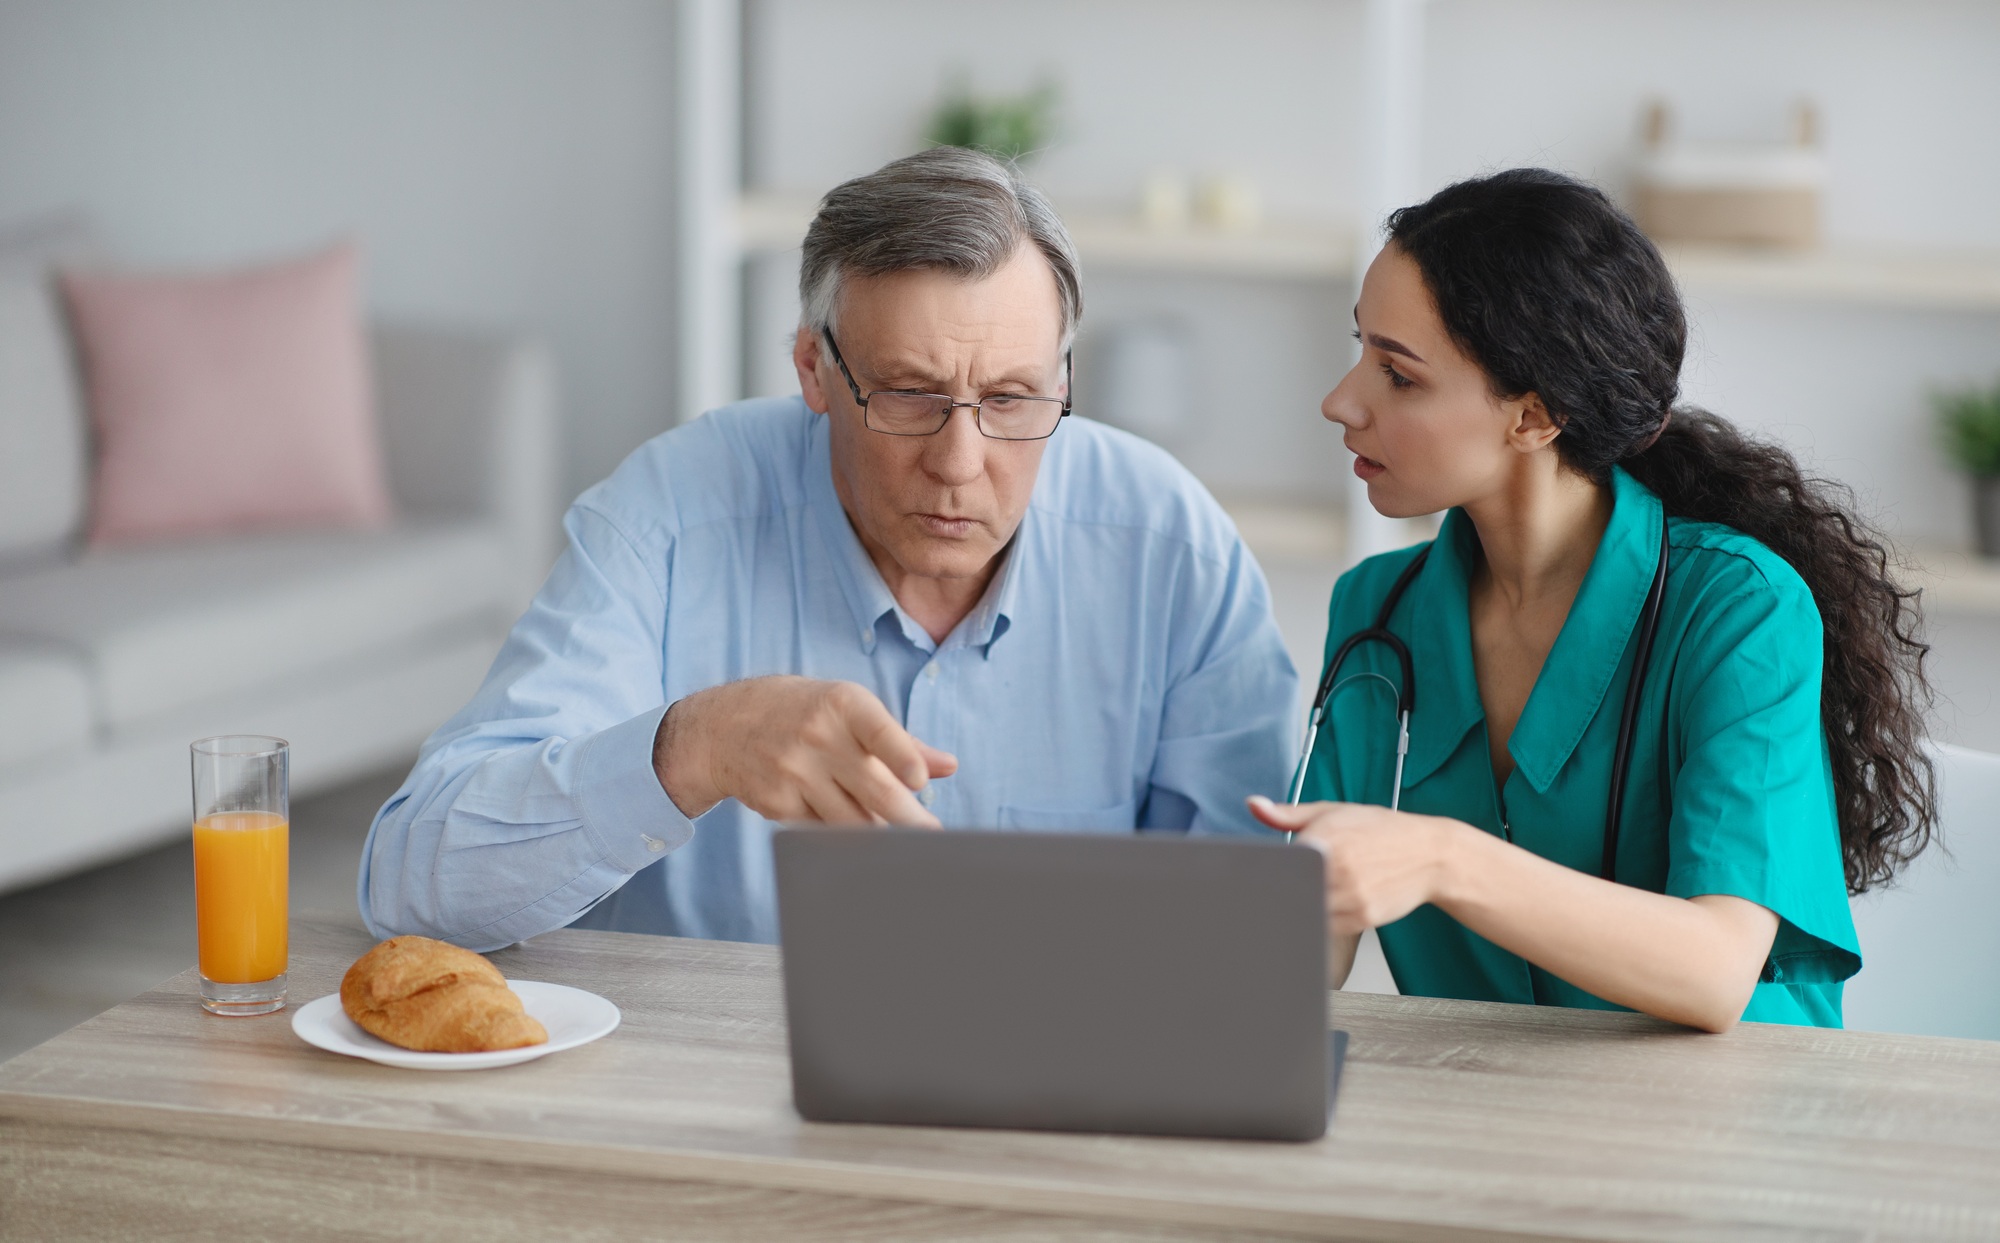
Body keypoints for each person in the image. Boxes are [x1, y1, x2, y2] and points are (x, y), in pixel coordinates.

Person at [360, 147, 1298, 949]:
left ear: (1064, 377)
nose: (960, 463)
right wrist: (689, 749)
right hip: (708, 1106)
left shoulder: (1173, 548)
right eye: (910, 395)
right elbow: (410, 882)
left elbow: (1247, 932)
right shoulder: (671, 515)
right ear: (813, 367)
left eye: (1012, 400)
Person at [1251, 169, 1936, 1032]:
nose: (1341, 401)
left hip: (1726, 1134)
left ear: (1534, 417)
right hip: (1483, 1124)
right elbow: (1307, 951)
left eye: (1398, 374)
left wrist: (1440, 858)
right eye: (1360, 351)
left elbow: (1717, 966)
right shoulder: (1377, 615)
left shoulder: (1738, 611)